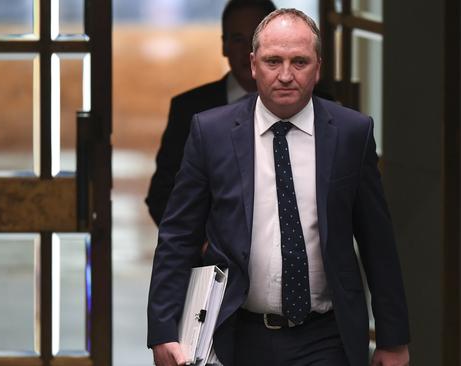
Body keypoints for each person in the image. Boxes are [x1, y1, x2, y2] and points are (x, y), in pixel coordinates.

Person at [147, 8, 410, 366]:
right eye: (273, 61)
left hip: (325, 336)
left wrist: (392, 339)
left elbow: (377, 240)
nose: (286, 75)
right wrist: (163, 329)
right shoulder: (212, 133)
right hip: (237, 332)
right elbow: (178, 235)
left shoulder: (351, 133)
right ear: (254, 65)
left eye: (299, 62)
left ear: (318, 67)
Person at [145, 0, 277, 226]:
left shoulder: (317, 105)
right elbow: (162, 195)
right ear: (224, 46)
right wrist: (202, 247)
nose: (249, 50)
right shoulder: (189, 109)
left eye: (258, 39)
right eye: (238, 39)